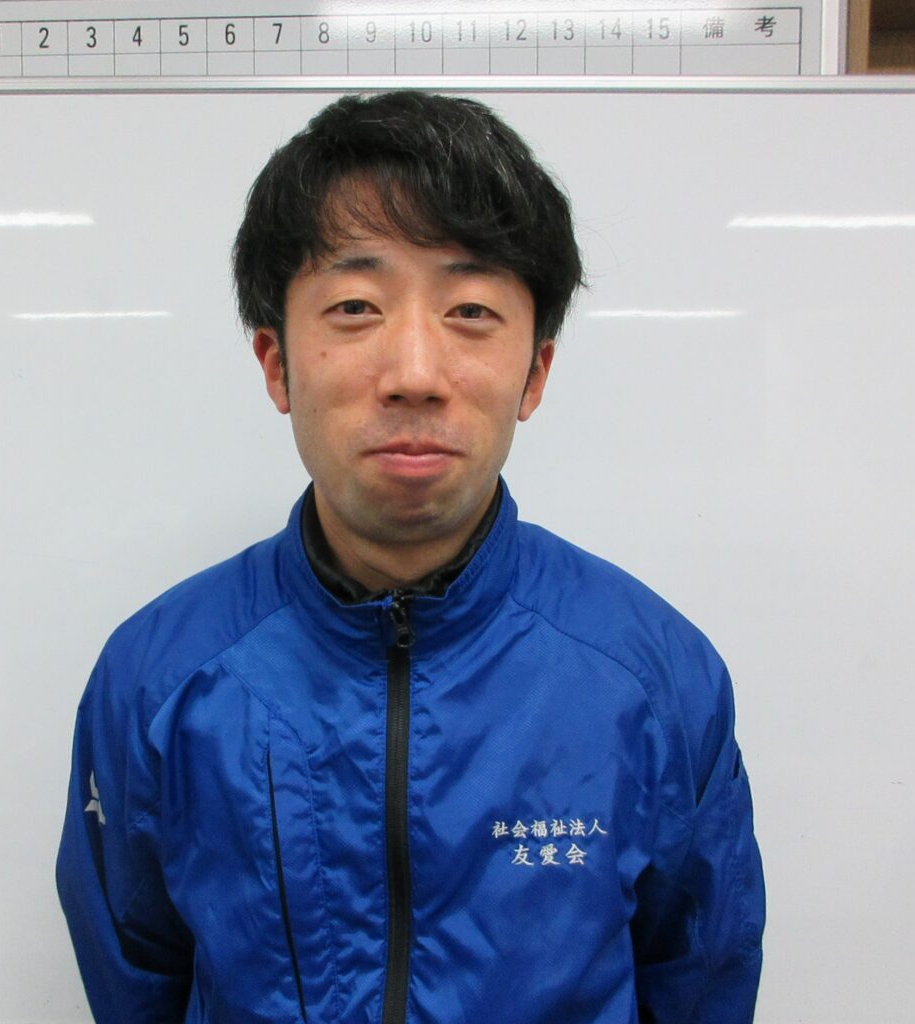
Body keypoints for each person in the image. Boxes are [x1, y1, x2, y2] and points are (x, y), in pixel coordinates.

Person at [57, 90, 764, 1024]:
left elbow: (701, 980)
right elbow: (137, 978)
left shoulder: (655, 677)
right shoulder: (157, 678)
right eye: (355, 306)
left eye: (471, 309)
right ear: (276, 362)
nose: (416, 374)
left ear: (535, 373)